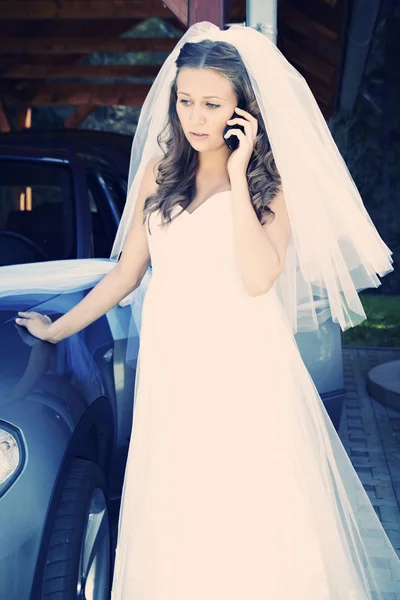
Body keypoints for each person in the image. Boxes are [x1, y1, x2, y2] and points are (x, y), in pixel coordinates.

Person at [11, 22, 400, 599]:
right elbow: (126, 274)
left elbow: (258, 276)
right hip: (174, 371)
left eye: (212, 104)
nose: (195, 117)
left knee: (247, 515)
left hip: (243, 371)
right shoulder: (159, 173)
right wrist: (56, 327)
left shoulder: (270, 184)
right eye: (185, 100)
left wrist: (240, 179)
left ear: (242, 110)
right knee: (178, 508)